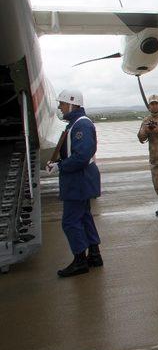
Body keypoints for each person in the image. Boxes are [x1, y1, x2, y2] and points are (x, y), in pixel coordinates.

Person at [46, 89, 102, 277]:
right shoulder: (76, 124)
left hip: (79, 180)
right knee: (84, 216)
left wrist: (60, 166)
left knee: (70, 221)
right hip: (80, 179)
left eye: (62, 104)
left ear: (72, 104)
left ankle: (80, 260)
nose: (60, 108)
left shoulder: (81, 125)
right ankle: (94, 255)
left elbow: (82, 156)